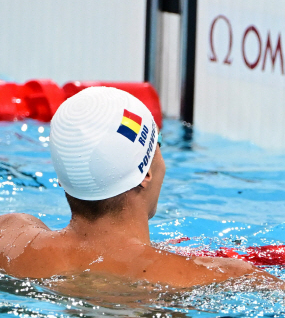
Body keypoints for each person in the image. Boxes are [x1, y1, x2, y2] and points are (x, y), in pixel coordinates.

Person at [0, 87, 271, 288]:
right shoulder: (218, 277)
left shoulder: (9, 237)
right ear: (147, 172)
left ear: (61, 178)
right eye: (159, 142)